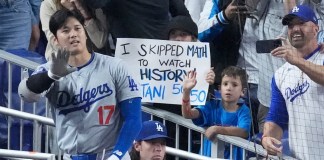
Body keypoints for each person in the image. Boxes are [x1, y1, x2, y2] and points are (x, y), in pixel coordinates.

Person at [18, 9, 142, 160]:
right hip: (71, 156)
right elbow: (25, 94)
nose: (73, 34)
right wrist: (51, 76)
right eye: (65, 30)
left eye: (78, 28)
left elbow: (134, 117)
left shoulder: (115, 66)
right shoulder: (49, 70)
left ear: (85, 33)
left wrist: (117, 155)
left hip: (110, 155)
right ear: (55, 40)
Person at [262, 5, 324, 159]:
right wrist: (267, 137)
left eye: (301, 23)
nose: (295, 29)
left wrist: (297, 61)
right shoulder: (281, 75)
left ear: (316, 28)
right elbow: (276, 117)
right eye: (291, 25)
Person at [181, 66, 251, 159]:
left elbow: (244, 131)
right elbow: (188, 114)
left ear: (243, 91)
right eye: (225, 84)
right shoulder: (211, 106)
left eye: (234, 85)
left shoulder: (244, 111)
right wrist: (186, 91)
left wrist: (217, 129)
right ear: (219, 89)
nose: (229, 88)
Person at [40, 0, 107, 60]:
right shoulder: (48, 5)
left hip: (94, 59)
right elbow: (56, 43)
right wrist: (72, 11)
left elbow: (100, 42)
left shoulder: (94, 3)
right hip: (63, 61)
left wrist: (83, 10)